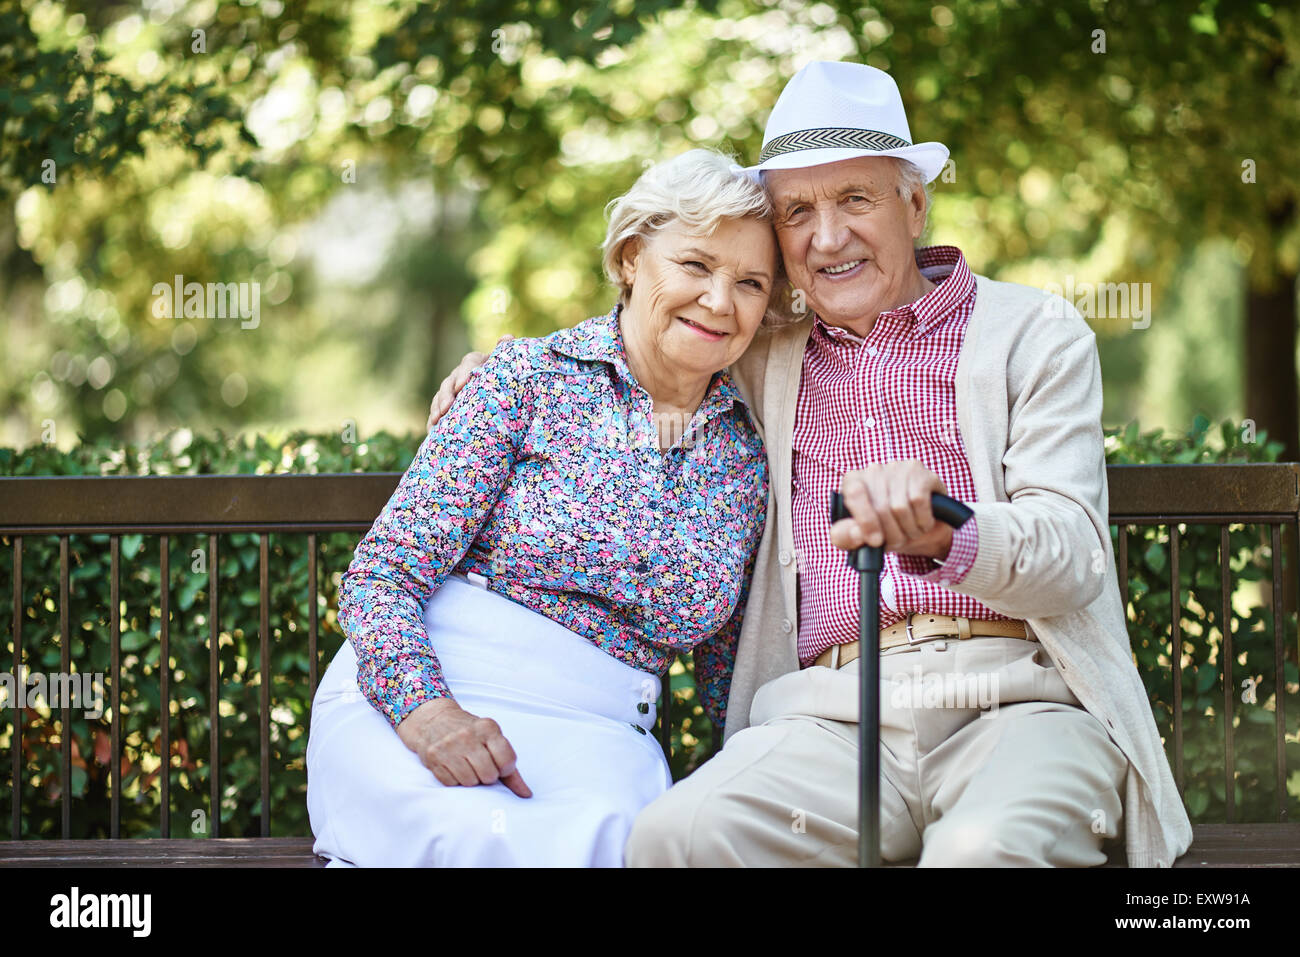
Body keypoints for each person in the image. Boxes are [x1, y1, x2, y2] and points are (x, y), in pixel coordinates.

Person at [431, 61, 1194, 868]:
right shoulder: (761, 353)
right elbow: (658, 320)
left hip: (1019, 700)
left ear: (915, 202)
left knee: (980, 852)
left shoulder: (1034, 332)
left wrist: (950, 529)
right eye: (798, 211)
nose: (826, 238)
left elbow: (1072, 551)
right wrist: (519, 368)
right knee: (672, 838)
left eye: (855, 199)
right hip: (832, 718)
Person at [306, 148, 781, 866]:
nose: (720, 300)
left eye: (750, 282)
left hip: (601, 742)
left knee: (615, 843)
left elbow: (725, 672)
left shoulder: (747, 458)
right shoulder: (527, 378)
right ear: (629, 258)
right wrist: (426, 709)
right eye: (695, 265)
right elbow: (383, 573)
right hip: (426, 692)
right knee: (460, 839)